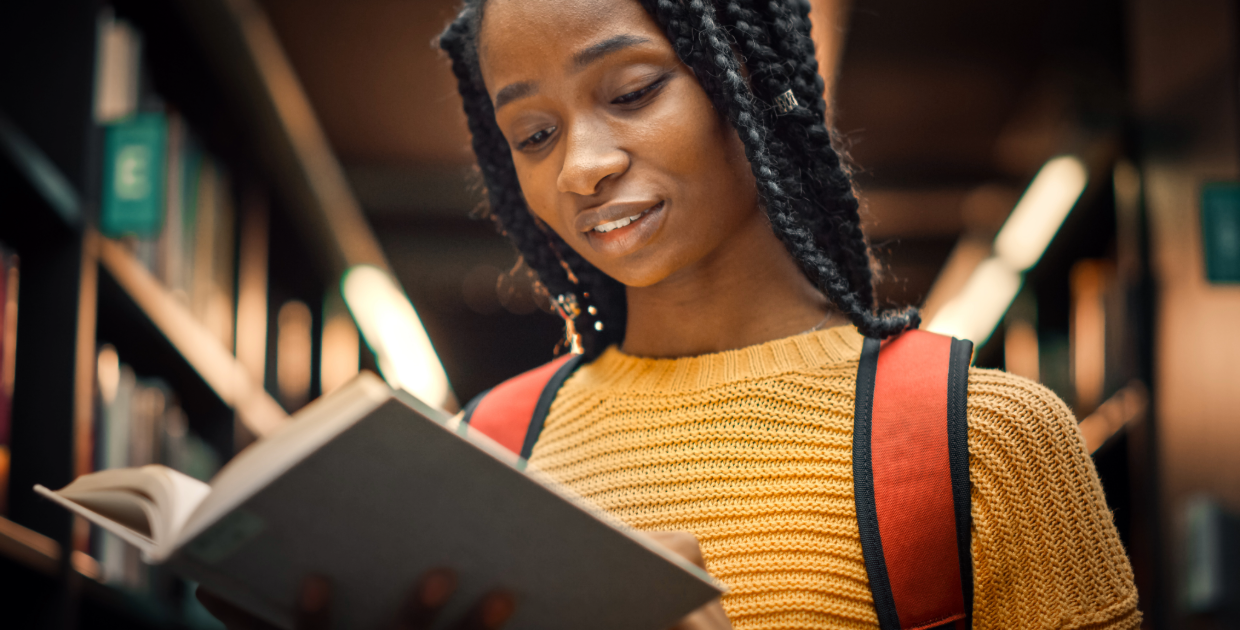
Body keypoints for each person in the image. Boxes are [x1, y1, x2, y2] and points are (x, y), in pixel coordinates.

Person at [201, 0, 1141, 627]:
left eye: (633, 92)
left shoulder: (985, 443)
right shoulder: (486, 447)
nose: (582, 166)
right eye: (533, 134)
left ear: (742, 80)